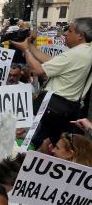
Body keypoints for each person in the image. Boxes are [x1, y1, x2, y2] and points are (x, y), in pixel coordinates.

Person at [11, 17, 92, 147]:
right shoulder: (86, 51)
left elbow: (37, 70)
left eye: (69, 31)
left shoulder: (76, 54)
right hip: (66, 108)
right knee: (50, 146)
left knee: (34, 143)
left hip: (53, 108)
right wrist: (30, 46)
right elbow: (51, 61)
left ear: (80, 36)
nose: (65, 33)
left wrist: (25, 50)